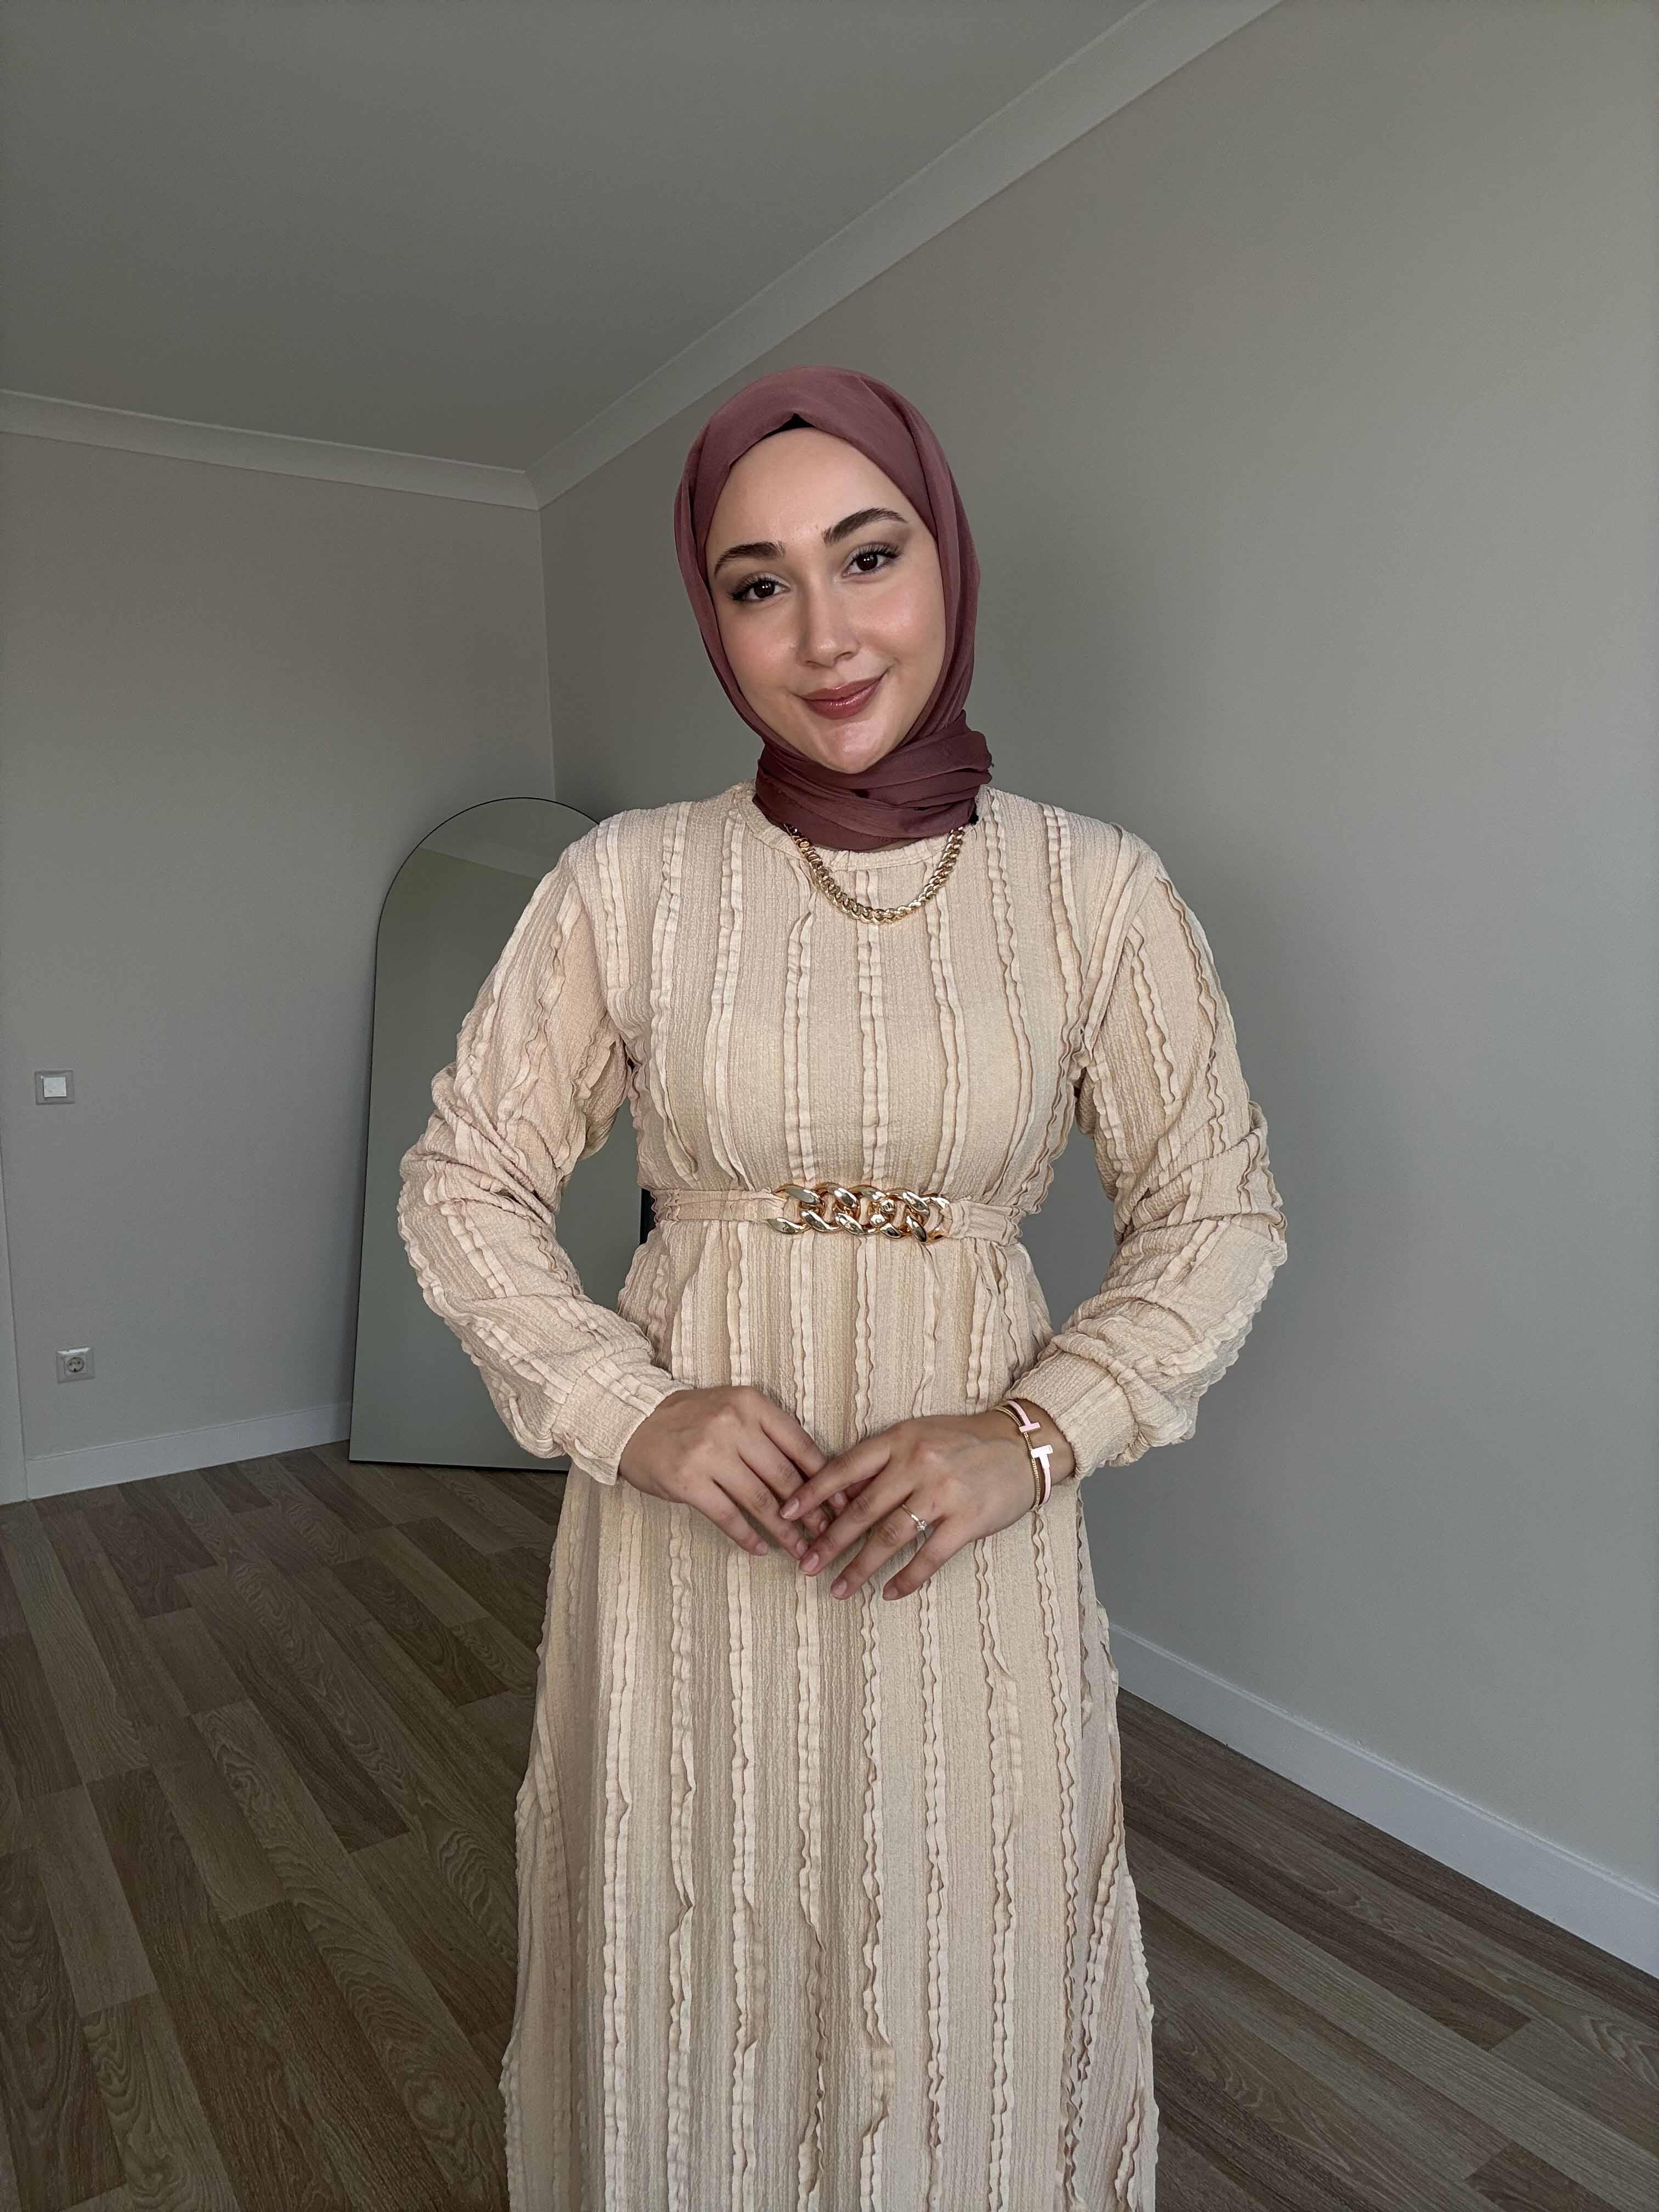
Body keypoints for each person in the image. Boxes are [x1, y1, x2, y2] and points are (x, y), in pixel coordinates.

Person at [396, 362, 1287, 2212]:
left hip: (972, 1542)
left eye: (868, 556)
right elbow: (466, 1178)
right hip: (689, 1538)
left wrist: (1028, 1436)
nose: (824, 633)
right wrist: (629, 1408)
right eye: (760, 583)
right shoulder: (631, 883)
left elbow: (1219, 1213)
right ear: (713, 618)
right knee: (687, 1940)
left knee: (974, 1964)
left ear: (946, 558)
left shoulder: (1096, 893)